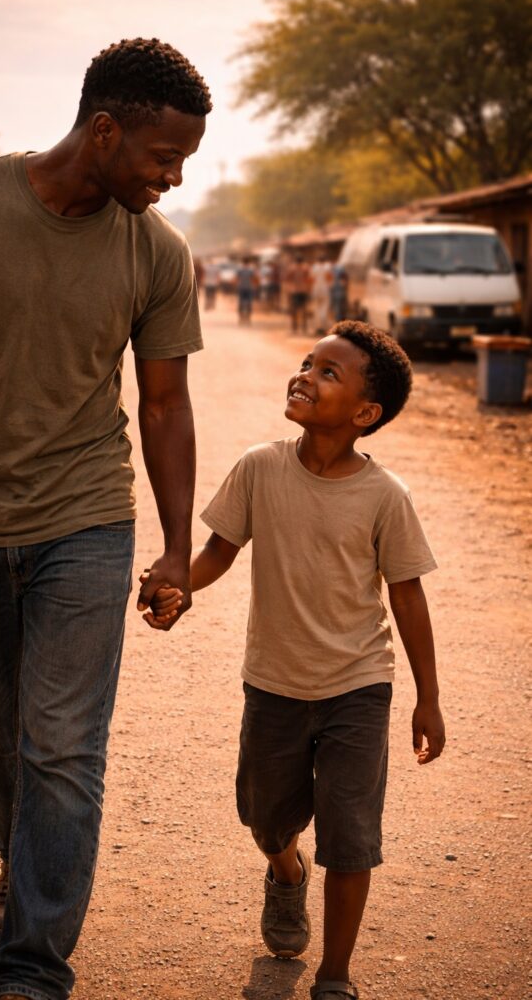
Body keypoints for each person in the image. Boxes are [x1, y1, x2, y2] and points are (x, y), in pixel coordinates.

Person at [0, 38, 211, 1000]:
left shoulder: (156, 252)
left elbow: (166, 406)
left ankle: (33, 967)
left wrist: (177, 542)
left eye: (183, 163)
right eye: (161, 157)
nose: (171, 180)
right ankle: (19, 866)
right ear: (104, 130)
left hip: (88, 522)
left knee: (62, 745)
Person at [141, 321, 445, 1000]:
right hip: (273, 684)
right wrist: (178, 586)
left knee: (350, 836)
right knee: (264, 817)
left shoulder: (383, 496)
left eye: (328, 373)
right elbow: (219, 551)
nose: (304, 374)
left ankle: (334, 976)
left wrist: (427, 697)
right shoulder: (259, 467)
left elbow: (407, 595)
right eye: (307, 362)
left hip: (358, 687)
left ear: (365, 414)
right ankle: (285, 874)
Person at [283, 254, 312, 333]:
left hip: (294, 291)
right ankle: (304, 328)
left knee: (294, 310)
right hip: (303, 290)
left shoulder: (292, 268)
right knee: (304, 309)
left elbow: (287, 279)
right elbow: (309, 279)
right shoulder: (306, 268)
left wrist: (288, 289)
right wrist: (309, 289)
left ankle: (294, 327)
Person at [310, 253, 332, 332]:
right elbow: (329, 277)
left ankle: (318, 327)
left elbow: (312, 278)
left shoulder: (315, 267)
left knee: (317, 309)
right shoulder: (328, 266)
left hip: (316, 289)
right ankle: (322, 326)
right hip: (325, 289)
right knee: (324, 308)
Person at [235, 256, 257, 324]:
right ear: (249, 262)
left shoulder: (240, 270)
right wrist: (255, 285)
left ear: (242, 262)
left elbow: (236, 279)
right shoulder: (251, 270)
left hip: (241, 287)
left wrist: (236, 285)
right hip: (249, 288)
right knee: (249, 303)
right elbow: (255, 278)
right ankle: (248, 318)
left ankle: (241, 318)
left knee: (241, 302)